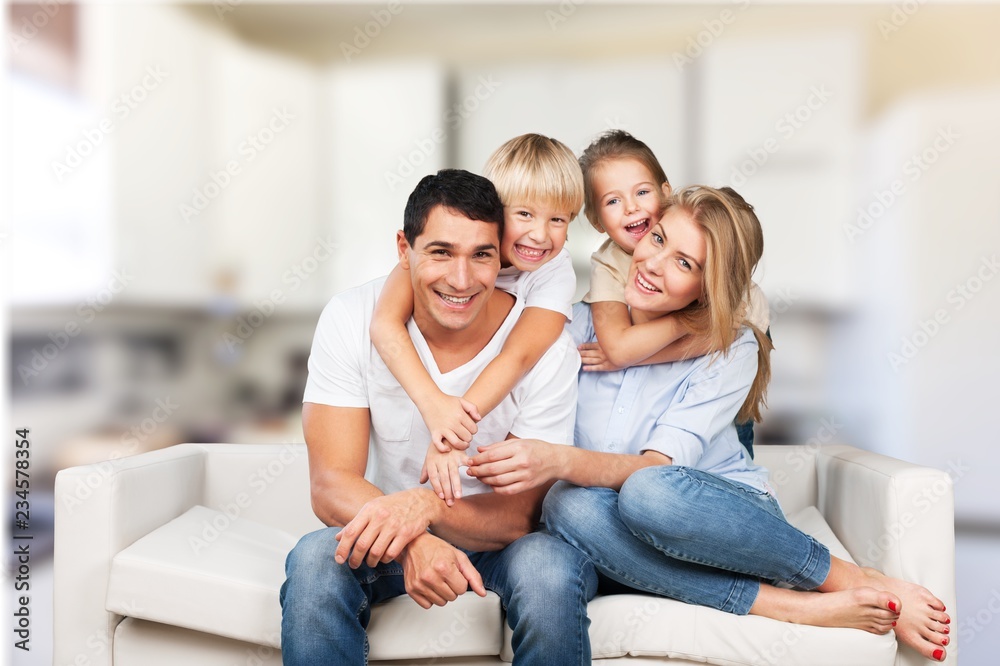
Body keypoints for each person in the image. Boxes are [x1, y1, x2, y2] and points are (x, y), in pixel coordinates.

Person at [466, 185, 952, 663]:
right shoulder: (570, 326)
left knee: (648, 491)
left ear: (708, 286)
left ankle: (852, 579)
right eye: (658, 239)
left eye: (685, 264)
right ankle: (785, 606)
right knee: (565, 507)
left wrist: (560, 459)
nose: (654, 264)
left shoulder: (730, 347)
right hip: (608, 534)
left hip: (718, 521)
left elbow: (653, 469)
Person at [280, 169, 598, 666]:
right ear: (405, 250)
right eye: (441, 252)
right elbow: (330, 484)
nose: (461, 279)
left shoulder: (548, 349)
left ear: (504, 255)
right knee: (317, 560)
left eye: (481, 255)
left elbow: (517, 517)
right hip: (391, 535)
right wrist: (413, 541)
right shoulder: (350, 317)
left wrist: (425, 509)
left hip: (497, 543)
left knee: (549, 568)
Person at [370, 133, 583, 504]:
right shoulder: (443, 244)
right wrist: (434, 406)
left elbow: (518, 355)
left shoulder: (555, 272)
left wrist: (452, 433)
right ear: (496, 212)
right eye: (525, 214)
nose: (540, 234)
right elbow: (384, 325)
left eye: (558, 219)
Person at [578, 130, 771, 454]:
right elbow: (620, 348)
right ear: (597, 221)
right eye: (613, 200)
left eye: (642, 191)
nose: (630, 207)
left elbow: (723, 337)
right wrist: (689, 321)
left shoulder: (726, 275)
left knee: (731, 439)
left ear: (665, 193)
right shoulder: (609, 263)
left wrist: (686, 325)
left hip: (727, 360)